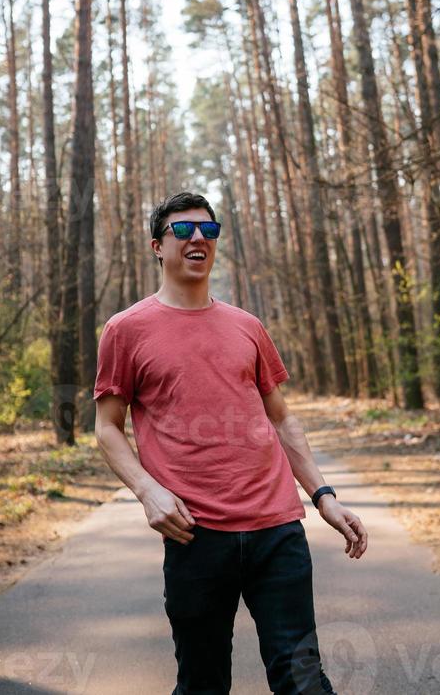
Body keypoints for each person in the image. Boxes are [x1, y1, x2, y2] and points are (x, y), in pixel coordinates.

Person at [93, 190, 368, 695]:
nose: (198, 238)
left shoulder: (248, 326)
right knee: (203, 683)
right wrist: (148, 492)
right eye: (183, 230)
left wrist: (324, 497)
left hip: (277, 528)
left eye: (208, 230)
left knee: (304, 679)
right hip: (195, 534)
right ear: (158, 245)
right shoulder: (126, 330)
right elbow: (107, 427)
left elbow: (283, 421)